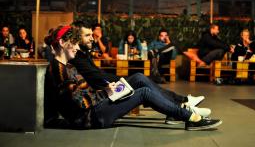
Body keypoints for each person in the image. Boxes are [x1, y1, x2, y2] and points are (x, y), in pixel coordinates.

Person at [45, 25, 222, 130]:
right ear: (62, 43)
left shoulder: (65, 67)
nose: (76, 47)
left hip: (96, 109)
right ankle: (189, 117)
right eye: (74, 43)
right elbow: (80, 104)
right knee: (143, 92)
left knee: (139, 82)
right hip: (92, 117)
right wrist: (104, 93)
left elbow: (82, 97)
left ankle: (182, 111)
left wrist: (105, 92)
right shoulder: (60, 70)